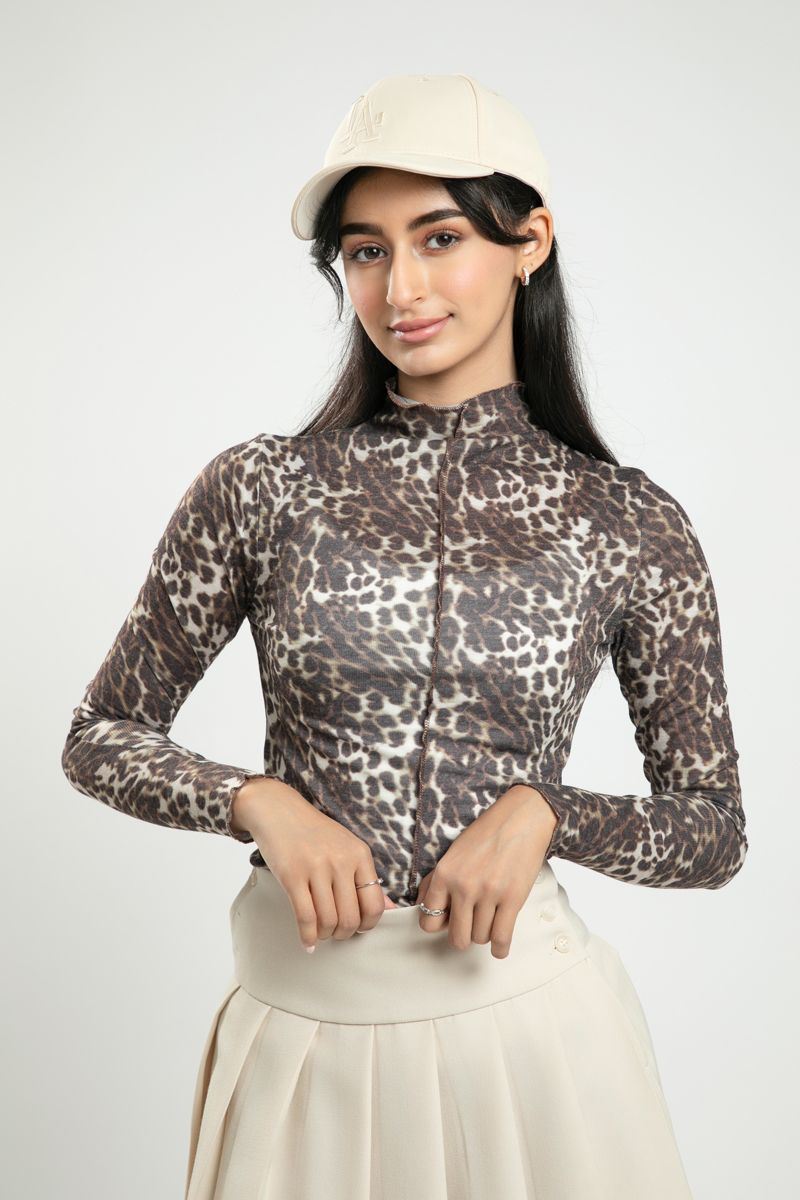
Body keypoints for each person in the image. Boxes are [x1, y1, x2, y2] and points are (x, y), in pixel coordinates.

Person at [61, 73, 747, 1199]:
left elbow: (712, 830)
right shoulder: (262, 488)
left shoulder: (626, 520)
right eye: (366, 251)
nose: (402, 288)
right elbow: (100, 734)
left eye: (440, 238)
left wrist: (547, 810)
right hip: (299, 1041)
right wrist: (259, 802)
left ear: (529, 243)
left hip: (533, 1044)